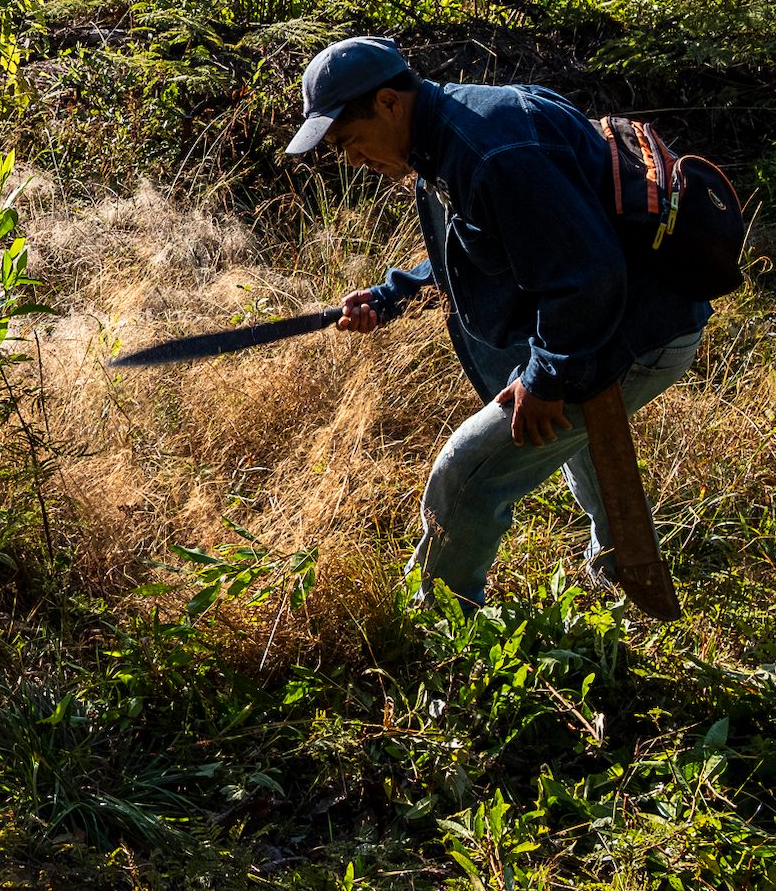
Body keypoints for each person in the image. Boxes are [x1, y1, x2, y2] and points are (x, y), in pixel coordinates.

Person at [285, 36, 711, 608]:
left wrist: (545, 379)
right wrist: (393, 295)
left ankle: (440, 626)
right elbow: (482, 243)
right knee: (583, 448)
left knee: (467, 476)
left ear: (388, 103)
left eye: (349, 141)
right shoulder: (444, 135)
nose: (351, 160)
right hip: (612, 323)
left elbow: (589, 275)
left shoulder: (492, 152)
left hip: (631, 332)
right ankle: (631, 593)